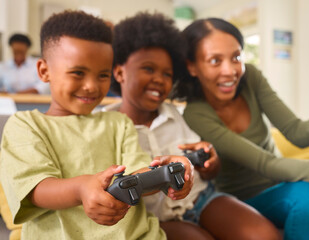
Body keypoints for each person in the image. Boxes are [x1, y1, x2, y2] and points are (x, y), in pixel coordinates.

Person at [172, 18, 309, 240]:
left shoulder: (251, 78)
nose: (230, 71)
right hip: (241, 199)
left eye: (236, 57)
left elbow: (298, 133)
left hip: (282, 182)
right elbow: (265, 163)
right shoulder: (195, 114)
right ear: (192, 66)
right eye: (215, 61)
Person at [0, 10, 194, 239]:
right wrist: (81, 189)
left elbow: (136, 175)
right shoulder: (26, 125)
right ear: (44, 71)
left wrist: (164, 174)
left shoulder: (118, 123)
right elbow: (35, 188)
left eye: (102, 75)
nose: (92, 86)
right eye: (78, 73)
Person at [108, 12, 281, 240]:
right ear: (119, 72)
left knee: (264, 235)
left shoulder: (178, 115)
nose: (159, 79)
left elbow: (209, 171)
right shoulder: (106, 125)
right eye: (148, 69)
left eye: (167, 74)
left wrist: (211, 162)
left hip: (201, 200)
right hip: (155, 216)